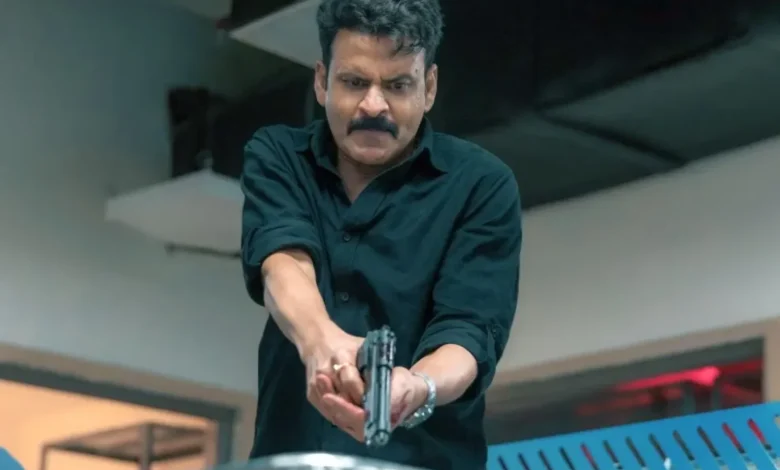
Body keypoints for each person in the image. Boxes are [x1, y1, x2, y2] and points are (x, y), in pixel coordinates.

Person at [239, 0, 522, 468]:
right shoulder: (279, 156)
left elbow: (469, 331)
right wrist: (321, 342)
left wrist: (418, 386)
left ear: (429, 88)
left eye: (397, 85)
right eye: (354, 82)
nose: (374, 106)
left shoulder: (481, 185)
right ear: (321, 81)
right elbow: (283, 261)